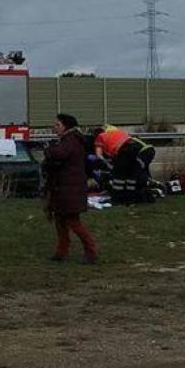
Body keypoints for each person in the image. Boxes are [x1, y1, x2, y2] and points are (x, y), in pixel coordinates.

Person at [43, 113, 99, 264]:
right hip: (65, 187)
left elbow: (58, 154)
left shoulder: (70, 141)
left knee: (73, 221)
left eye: (57, 125)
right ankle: (62, 251)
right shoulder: (70, 140)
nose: (54, 128)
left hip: (69, 188)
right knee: (60, 221)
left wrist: (48, 150)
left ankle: (91, 250)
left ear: (65, 126)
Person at [93, 125, 157, 203]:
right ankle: (133, 197)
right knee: (133, 175)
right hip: (144, 150)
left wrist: (104, 162)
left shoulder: (100, 136)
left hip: (126, 151)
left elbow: (99, 154)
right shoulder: (118, 132)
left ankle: (117, 199)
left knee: (119, 176)